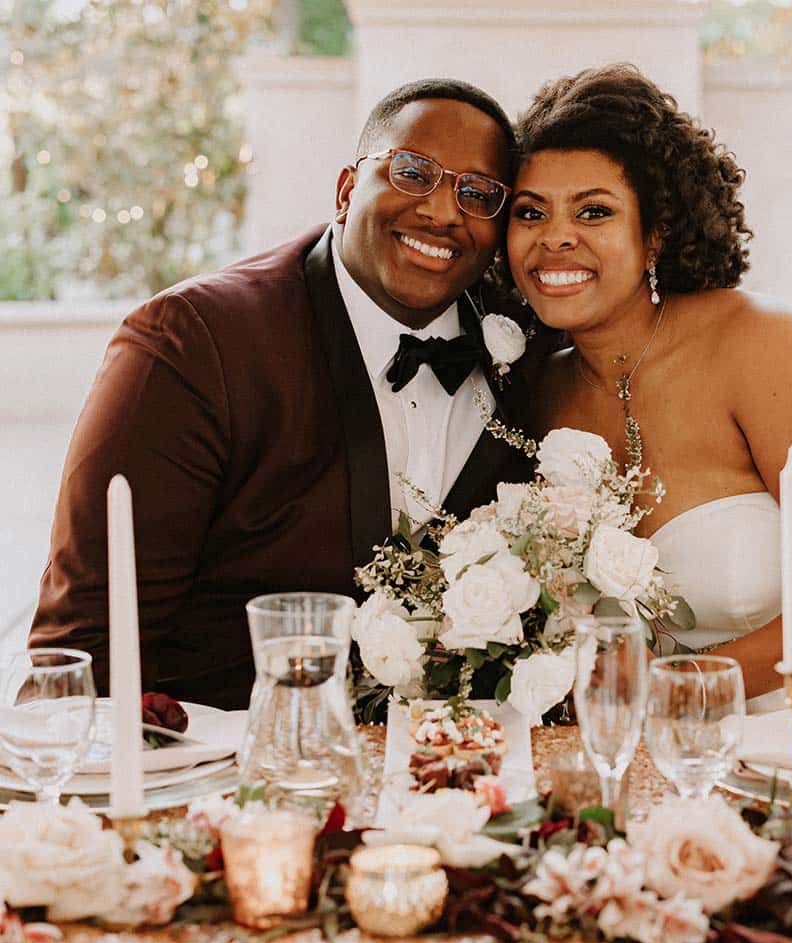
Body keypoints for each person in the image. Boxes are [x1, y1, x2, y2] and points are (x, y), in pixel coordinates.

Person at [30, 79, 545, 710]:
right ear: (348, 189)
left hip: (465, 766)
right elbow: (85, 645)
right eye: (412, 172)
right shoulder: (196, 342)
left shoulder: (531, 349)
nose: (442, 211)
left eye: (478, 194)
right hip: (227, 766)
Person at [506, 64, 792, 710]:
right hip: (653, 749)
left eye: (594, 211)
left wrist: (682, 690)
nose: (555, 237)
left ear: (656, 230)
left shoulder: (763, 347)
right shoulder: (535, 393)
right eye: (531, 212)